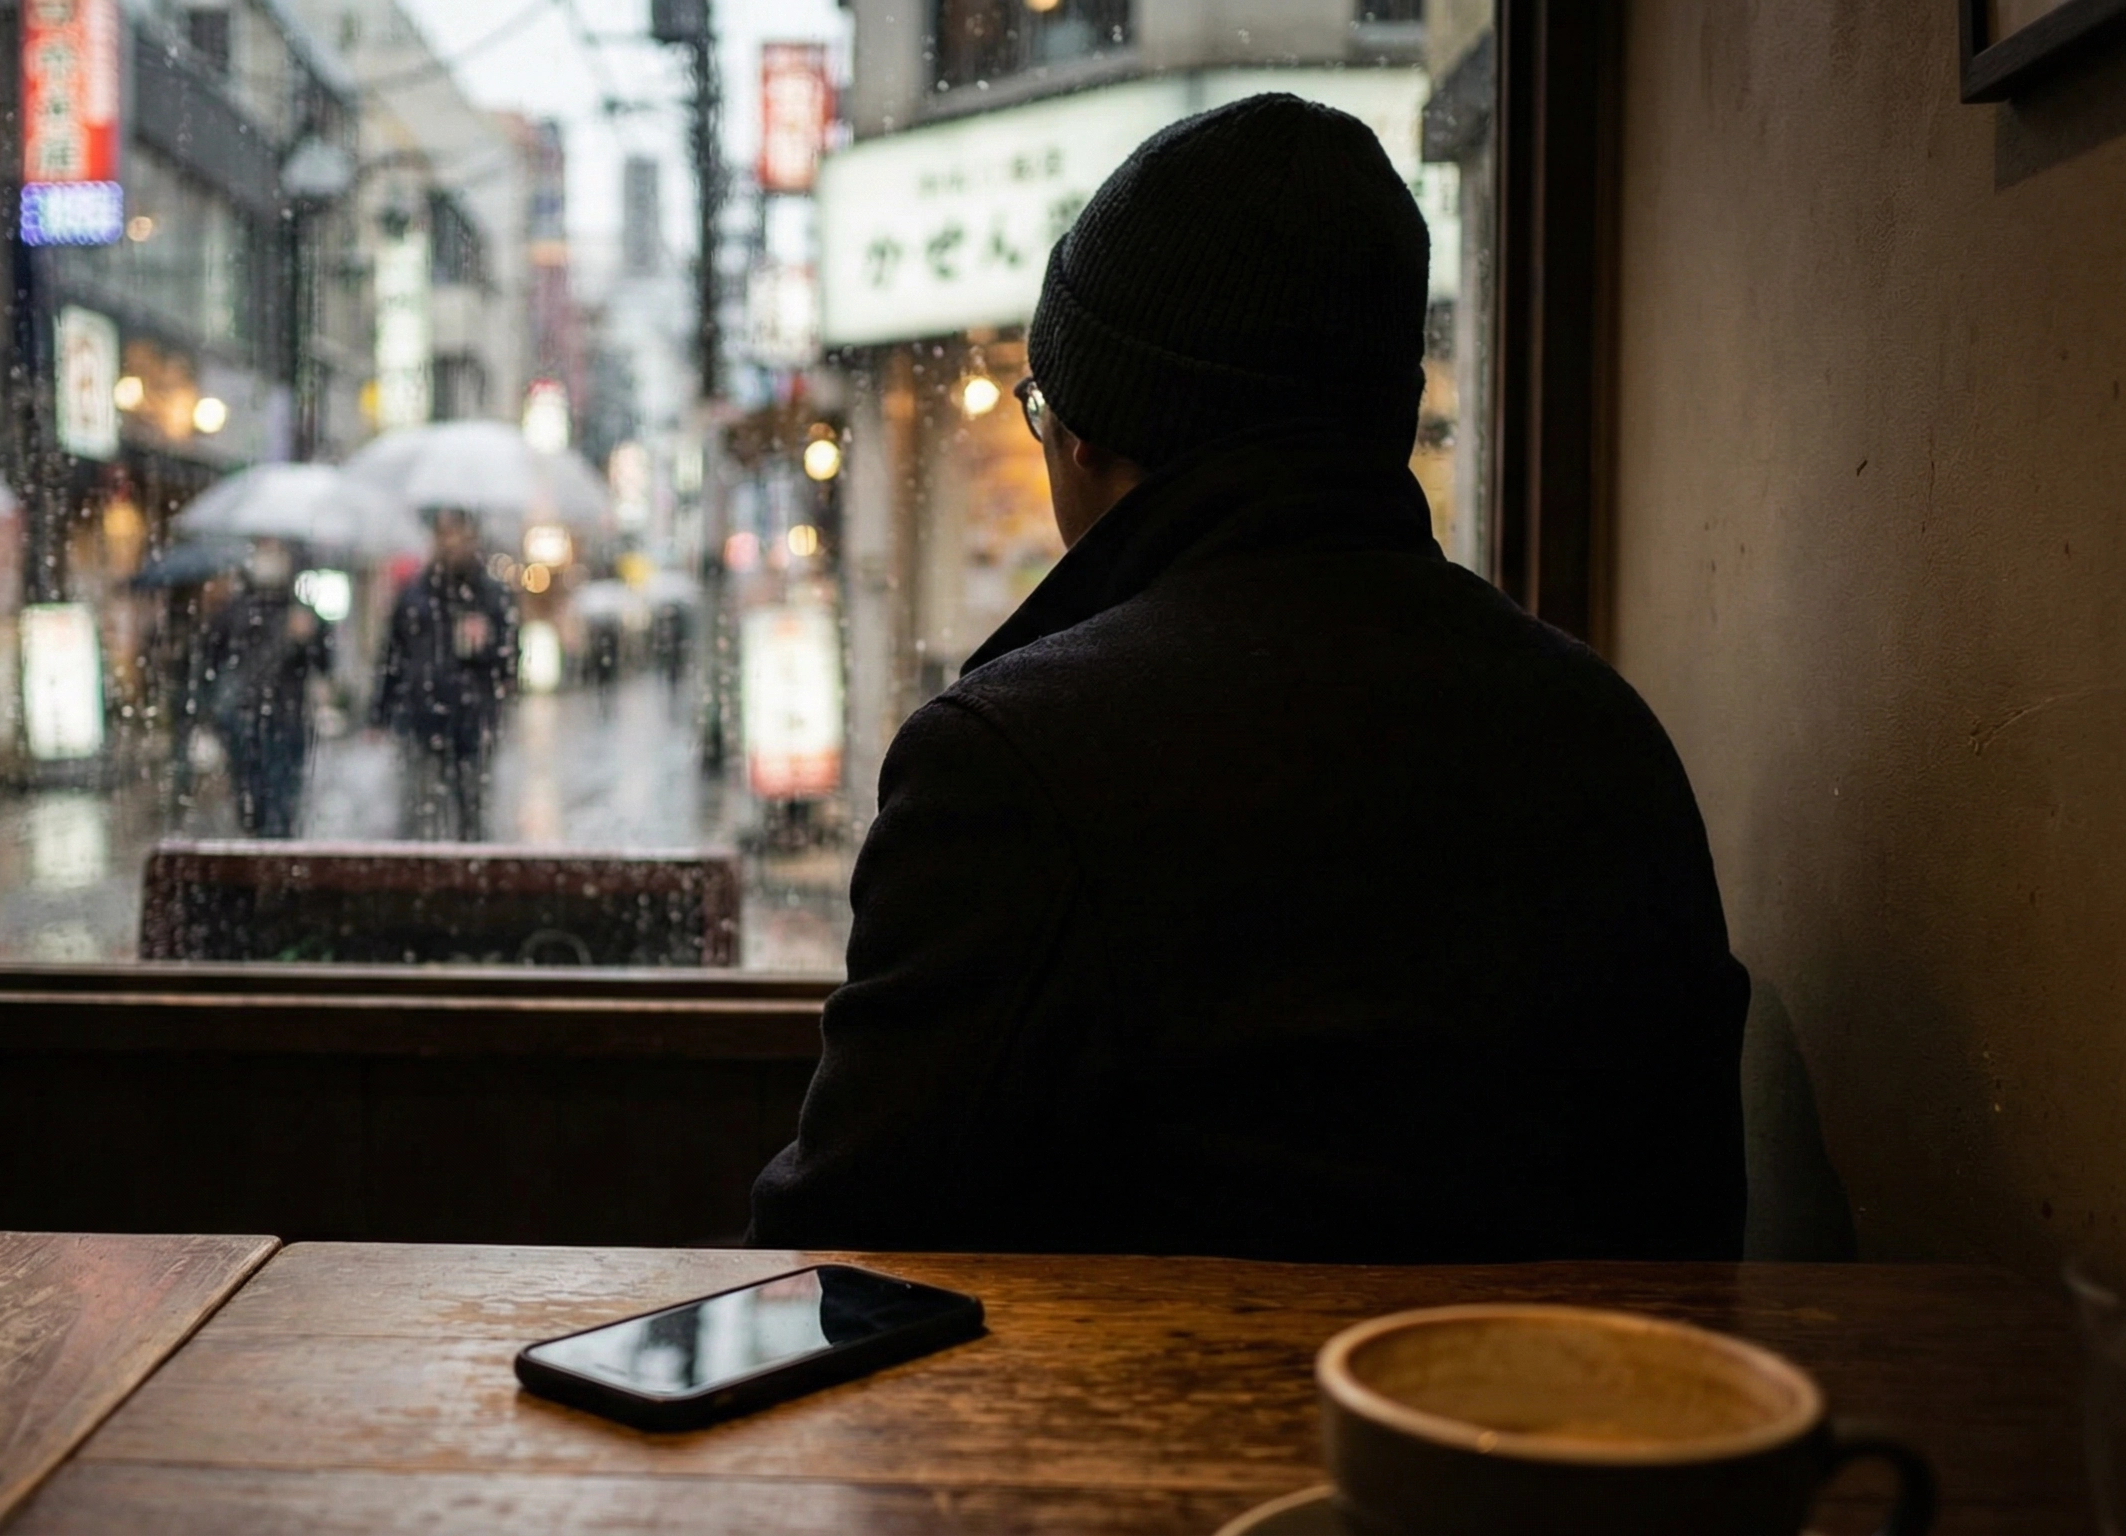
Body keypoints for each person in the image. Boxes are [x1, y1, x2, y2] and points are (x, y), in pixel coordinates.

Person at [749, 96, 1749, 1263]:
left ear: (1087, 433)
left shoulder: (1012, 766)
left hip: (1139, 1442)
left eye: (1040, 406)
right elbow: (1694, 1213)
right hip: (1576, 1433)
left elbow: (836, 1244)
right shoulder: (1602, 730)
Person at [370, 507, 517, 842]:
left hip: (473, 723)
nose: (449, 543)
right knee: (418, 817)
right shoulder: (414, 594)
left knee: (472, 817)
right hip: (420, 721)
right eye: (442, 534)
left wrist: (485, 646)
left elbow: (509, 665)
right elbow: (392, 656)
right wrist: (379, 713)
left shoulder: (492, 596)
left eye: (457, 534)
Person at [203, 541, 331, 839]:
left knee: (282, 802)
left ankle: (275, 858)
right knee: (252, 800)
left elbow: (324, 661)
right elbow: (213, 660)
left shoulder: (301, 611)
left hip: (288, 718)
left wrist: (307, 638)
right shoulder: (236, 611)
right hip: (244, 719)